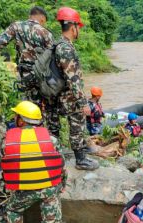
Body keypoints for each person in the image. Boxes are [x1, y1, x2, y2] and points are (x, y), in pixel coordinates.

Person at [1, 101, 68, 223]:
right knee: (52, 217)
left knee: (12, 209)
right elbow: (61, 166)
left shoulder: (7, 141)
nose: (14, 117)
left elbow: (8, 167)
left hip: (24, 190)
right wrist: (62, 185)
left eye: (16, 115)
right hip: (48, 188)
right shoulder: (51, 139)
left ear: (22, 120)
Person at [46, 7, 99, 171]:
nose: (79, 30)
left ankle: (81, 147)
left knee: (76, 125)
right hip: (70, 95)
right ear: (73, 27)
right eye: (78, 27)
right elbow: (72, 78)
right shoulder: (66, 48)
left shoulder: (60, 44)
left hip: (64, 94)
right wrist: (83, 102)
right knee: (77, 124)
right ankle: (80, 159)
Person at [0, 6, 54, 107]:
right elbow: (51, 60)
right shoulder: (47, 33)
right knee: (36, 108)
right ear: (43, 18)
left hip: (22, 77)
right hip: (39, 78)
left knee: (21, 106)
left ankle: (21, 120)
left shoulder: (16, 26)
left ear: (30, 16)